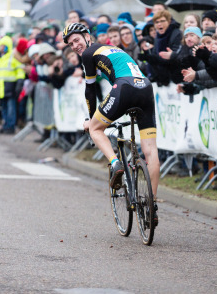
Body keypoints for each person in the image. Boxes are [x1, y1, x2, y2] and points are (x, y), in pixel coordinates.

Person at [63, 22, 160, 225]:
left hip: (124, 87)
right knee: (150, 151)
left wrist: (91, 120)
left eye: (76, 40)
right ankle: (151, 206)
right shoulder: (112, 49)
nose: (75, 46)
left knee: (96, 129)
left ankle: (115, 163)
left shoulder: (89, 53)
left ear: (87, 36)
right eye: (71, 44)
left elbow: (90, 90)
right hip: (145, 88)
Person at [137, 10, 182, 86]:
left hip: (177, 80)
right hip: (163, 80)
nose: (159, 24)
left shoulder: (176, 33)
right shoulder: (158, 36)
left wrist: (172, 55)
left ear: (169, 21)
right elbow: (156, 56)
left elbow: (178, 55)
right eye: (157, 22)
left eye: (162, 21)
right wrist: (147, 55)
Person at [0, 36, 25, 134]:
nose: (2, 48)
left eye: (4, 46)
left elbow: (19, 70)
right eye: (0, 46)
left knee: (11, 108)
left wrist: (19, 82)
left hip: (11, 87)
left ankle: (11, 126)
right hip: (1, 87)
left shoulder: (13, 56)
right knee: (4, 108)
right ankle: (5, 125)